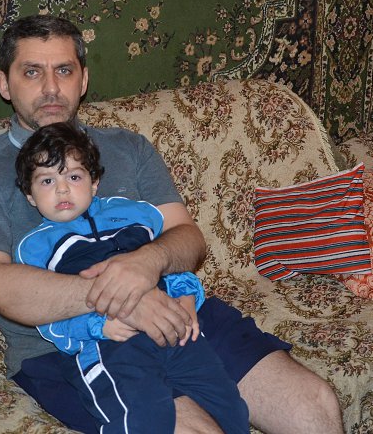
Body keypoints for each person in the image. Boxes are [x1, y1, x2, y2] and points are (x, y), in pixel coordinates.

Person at [0, 14, 344, 434]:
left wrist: (148, 262)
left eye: (64, 70)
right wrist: (127, 297)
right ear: (4, 84)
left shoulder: (127, 147)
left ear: (83, 80)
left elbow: (188, 239)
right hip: (68, 347)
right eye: (31, 72)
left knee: (314, 404)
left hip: (180, 312)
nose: (50, 87)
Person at [13, 121, 249, 433]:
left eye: (74, 176)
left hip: (174, 329)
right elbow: (46, 312)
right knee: (139, 417)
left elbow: (168, 261)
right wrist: (97, 326)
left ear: (94, 182)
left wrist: (186, 294)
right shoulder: (35, 247)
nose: (62, 189)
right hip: (112, 347)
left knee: (229, 407)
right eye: (46, 181)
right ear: (30, 196)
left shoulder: (135, 214)